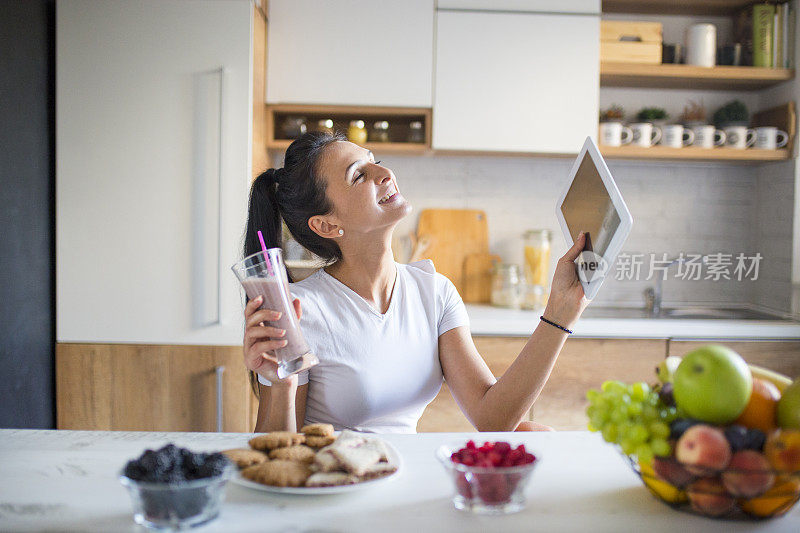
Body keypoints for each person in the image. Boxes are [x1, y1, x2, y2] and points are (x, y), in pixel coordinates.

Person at [242, 132, 588, 433]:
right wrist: (282, 384)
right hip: (333, 487)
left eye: (375, 161)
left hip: (400, 480)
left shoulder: (433, 292)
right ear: (328, 226)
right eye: (359, 175)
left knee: (533, 432)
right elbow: (273, 454)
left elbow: (492, 417)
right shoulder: (300, 311)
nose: (385, 173)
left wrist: (560, 313)